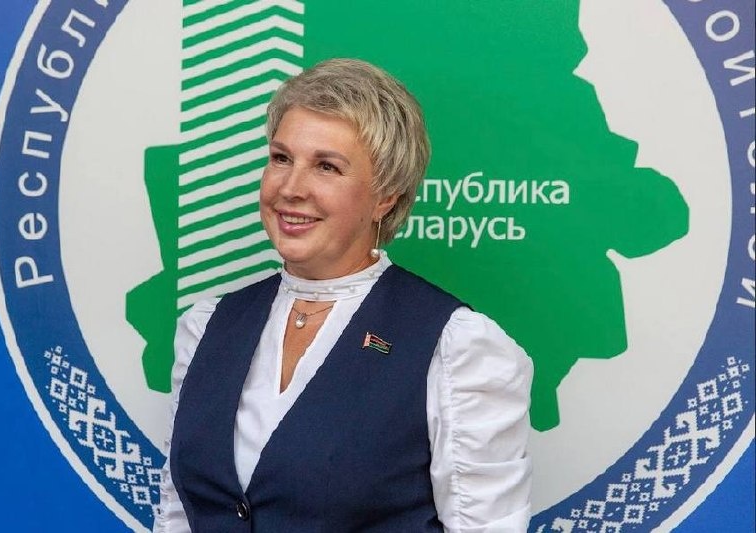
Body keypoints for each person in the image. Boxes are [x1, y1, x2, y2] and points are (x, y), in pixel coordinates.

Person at [154, 58, 533, 532]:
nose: (291, 188)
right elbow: (178, 514)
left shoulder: (456, 346)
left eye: (326, 167)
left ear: (386, 196)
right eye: (281, 158)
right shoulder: (207, 326)